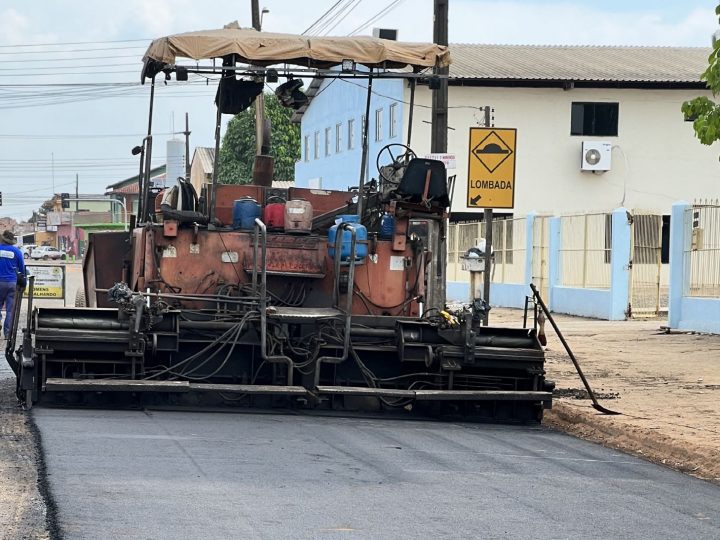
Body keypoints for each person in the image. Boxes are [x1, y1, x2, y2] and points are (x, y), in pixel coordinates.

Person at [0, 230, 26, 338]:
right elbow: (22, 270)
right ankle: (7, 333)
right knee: (10, 310)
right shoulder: (17, 251)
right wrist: (24, 284)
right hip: (12, 283)